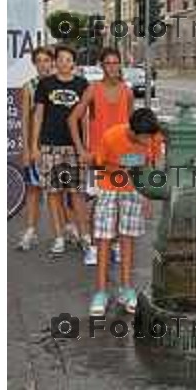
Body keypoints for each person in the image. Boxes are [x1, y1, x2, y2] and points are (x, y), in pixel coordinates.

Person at [89, 108, 163, 316]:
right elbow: (99, 163)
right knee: (104, 239)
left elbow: (150, 164)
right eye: (144, 138)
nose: (147, 142)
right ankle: (101, 292)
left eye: (150, 137)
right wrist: (122, 166)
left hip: (134, 189)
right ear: (133, 131)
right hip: (108, 187)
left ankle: (126, 289)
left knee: (127, 239)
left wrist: (148, 195)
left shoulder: (153, 137)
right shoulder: (112, 136)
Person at [68, 47, 134, 265]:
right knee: (98, 204)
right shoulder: (93, 89)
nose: (113, 67)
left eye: (116, 63)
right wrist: (81, 150)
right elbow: (72, 119)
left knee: (118, 203)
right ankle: (96, 247)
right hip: (98, 156)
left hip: (122, 158)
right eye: (108, 63)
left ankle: (113, 244)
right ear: (102, 66)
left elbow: (133, 127)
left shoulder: (127, 91)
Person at [31, 45, 92, 256]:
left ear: (73, 63)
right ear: (55, 62)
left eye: (68, 59)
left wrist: (86, 146)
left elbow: (85, 119)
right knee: (54, 193)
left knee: (76, 192)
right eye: (61, 59)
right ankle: (59, 236)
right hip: (50, 144)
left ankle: (84, 235)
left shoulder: (82, 84)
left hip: (74, 146)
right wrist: (34, 146)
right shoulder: (45, 84)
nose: (64, 63)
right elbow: (37, 116)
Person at [17, 46, 55, 251]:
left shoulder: (59, 85)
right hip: (36, 146)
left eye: (46, 60)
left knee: (61, 191)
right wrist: (26, 149)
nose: (43, 64)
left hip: (57, 146)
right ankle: (30, 231)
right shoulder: (28, 87)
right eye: (39, 60)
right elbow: (24, 120)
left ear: (52, 62)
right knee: (33, 190)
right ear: (34, 64)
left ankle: (67, 229)